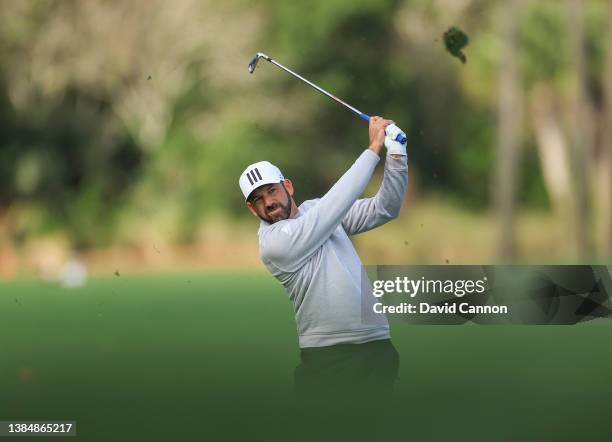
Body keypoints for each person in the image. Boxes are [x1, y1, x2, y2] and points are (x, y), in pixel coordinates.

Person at [239, 116, 408, 401]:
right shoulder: (274, 244)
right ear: (252, 209)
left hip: (377, 346)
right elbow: (333, 207)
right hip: (329, 356)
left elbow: (385, 208)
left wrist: (396, 155)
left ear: (287, 186)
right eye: (258, 199)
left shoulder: (317, 211)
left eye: (271, 190)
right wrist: (372, 148)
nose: (268, 202)